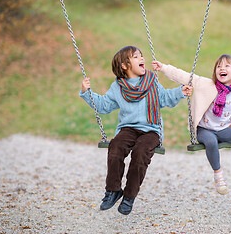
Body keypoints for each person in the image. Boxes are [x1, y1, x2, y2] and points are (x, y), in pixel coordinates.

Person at [79, 46, 192, 215]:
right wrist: (86, 92)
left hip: (151, 129)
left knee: (140, 153)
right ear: (125, 65)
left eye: (141, 56)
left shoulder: (152, 81)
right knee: (116, 146)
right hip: (128, 128)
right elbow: (103, 106)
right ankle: (113, 190)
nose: (141, 59)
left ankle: (129, 196)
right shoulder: (118, 87)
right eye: (136, 57)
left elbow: (164, 98)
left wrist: (180, 92)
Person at [152, 54, 231, 195]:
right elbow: (183, 76)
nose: (221, 68)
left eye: (226, 66)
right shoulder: (204, 84)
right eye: (218, 66)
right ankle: (218, 176)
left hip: (224, 129)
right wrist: (163, 68)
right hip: (204, 130)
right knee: (211, 142)